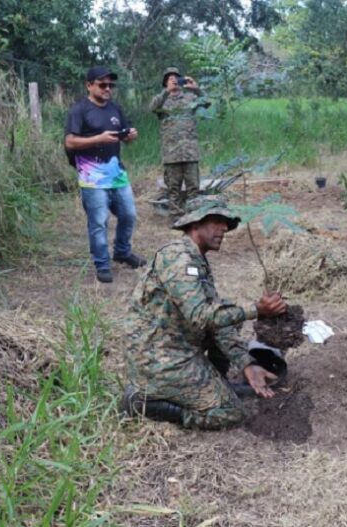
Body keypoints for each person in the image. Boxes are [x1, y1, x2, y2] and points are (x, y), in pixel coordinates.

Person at [122, 195, 288, 430]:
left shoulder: (195, 259)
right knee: (230, 412)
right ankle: (144, 403)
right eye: (216, 220)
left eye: (226, 223)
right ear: (195, 223)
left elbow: (217, 321)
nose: (223, 228)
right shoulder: (177, 258)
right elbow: (201, 315)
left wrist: (246, 364)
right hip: (159, 357)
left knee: (228, 316)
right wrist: (255, 309)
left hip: (177, 346)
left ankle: (211, 384)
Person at [64, 66, 146, 284]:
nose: (107, 88)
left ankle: (122, 252)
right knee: (99, 221)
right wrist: (97, 139)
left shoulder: (115, 109)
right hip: (92, 177)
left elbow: (124, 135)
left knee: (128, 214)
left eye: (111, 85)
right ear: (89, 85)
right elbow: (70, 141)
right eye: (102, 84)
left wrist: (129, 136)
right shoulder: (79, 110)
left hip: (117, 173)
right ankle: (102, 263)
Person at [150, 67, 211, 219]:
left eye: (176, 78)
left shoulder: (190, 98)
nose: (174, 81)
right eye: (170, 79)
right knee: (173, 188)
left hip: (190, 152)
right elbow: (152, 108)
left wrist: (197, 89)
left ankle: (194, 217)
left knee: (193, 188)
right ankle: (176, 219)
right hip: (171, 154)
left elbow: (207, 103)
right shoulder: (162, 101)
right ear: (165, 83)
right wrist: (166, 92)